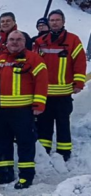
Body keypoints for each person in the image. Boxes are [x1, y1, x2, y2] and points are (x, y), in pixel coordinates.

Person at [0, 30, 48, 190]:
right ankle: (4, 173)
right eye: (11, 39)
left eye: (18, 39)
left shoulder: (34, 60)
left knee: (25, 143)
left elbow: (42, 82)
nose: (14, 42)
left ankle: (26, 176)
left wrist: (39, 104)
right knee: (0, 142)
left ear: (24, 42)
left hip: (22, 111)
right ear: (7, 42)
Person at [33, 9, 86, 161]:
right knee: (44, 124)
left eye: (57, 20)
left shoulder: (73, 40)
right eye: (52, 20)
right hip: (45, 94)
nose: (54, 22)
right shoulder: (40, 42)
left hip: (63, 94)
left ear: (63, 22)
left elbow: (80, 62)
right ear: (48, 23)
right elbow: (33, 63)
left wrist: (79, 83)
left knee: (63, 124)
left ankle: (64, 152)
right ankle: (44, 150)